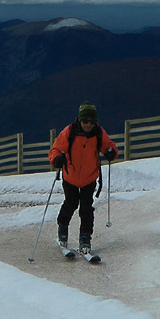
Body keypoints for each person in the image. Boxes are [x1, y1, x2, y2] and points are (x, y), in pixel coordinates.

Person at [49, 102, 118, 254]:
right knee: (71, 203)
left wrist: (111, 152)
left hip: (89, 177)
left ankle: (85, 237)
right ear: (79, 120)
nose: (88, 124)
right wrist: (56, 159)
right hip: (70, 176)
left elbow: (109, 146)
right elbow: (56, 149)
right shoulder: (70, 131)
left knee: (86, 208)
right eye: (85, 121)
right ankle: (63, 226)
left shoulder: (98, 133)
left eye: (92, 121)